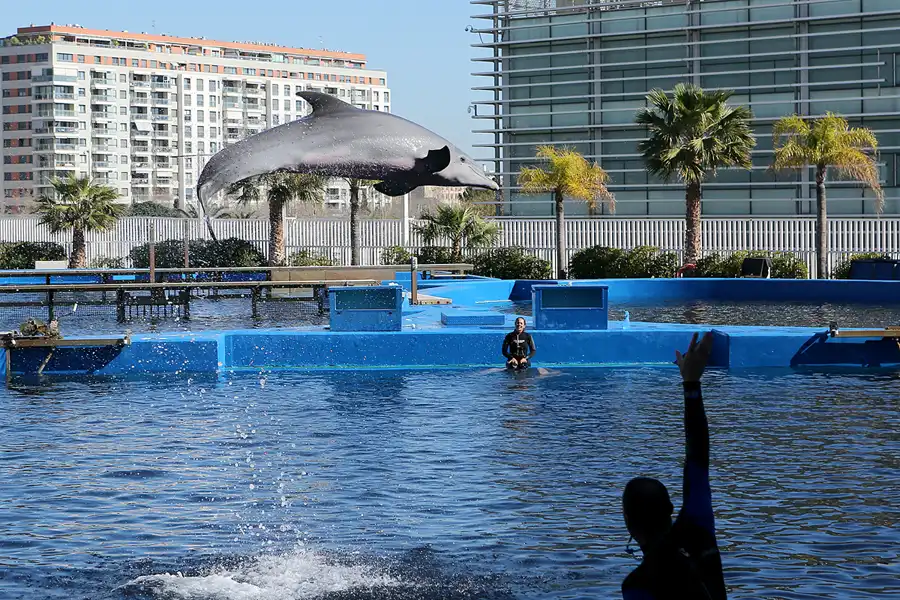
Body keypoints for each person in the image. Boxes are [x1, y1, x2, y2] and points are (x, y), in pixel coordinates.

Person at [621, 331, 726, 600]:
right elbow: (698, 456)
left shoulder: (637, 585)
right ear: (669, 509)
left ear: (628, 524)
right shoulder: (698, 529)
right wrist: (691, 383)